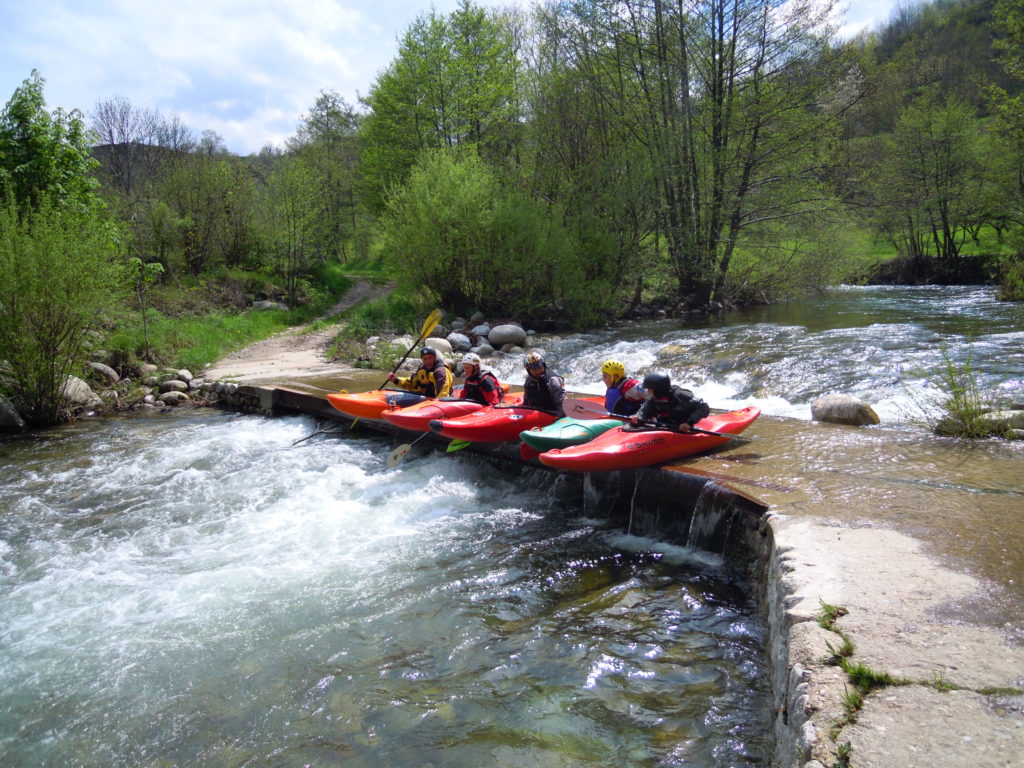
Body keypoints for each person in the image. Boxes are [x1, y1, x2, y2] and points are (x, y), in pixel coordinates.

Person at [629, 372, 709, 432]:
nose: (648, 391)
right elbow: (643, 412)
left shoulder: (680, 395)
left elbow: (703, 407)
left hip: (682, 427)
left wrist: (689, 423)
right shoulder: (653, 399)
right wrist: (637, 417)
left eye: (650, 389)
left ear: (659, 389)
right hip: (665, 425)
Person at [522, 351, 566, 417]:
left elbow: (562, 404)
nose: (538, 371)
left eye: (540, 368)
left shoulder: (553, 381)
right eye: (534, 370)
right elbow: (526, 401)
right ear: (529, 370)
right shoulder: (529, 380)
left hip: (552, 415)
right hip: (535, 414)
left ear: (543, 365)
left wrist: (558, 419)